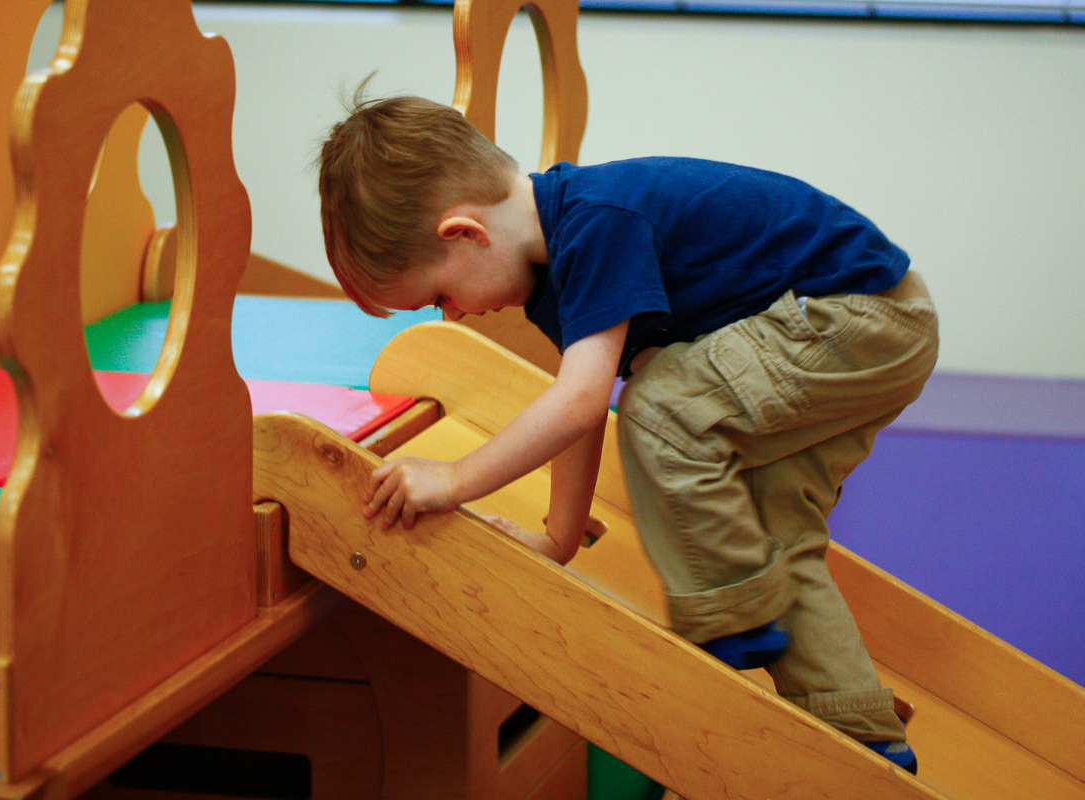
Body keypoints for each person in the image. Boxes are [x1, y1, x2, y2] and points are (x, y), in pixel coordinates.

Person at [317, 90, 937, 775]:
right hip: (863, 329)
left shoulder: (595, 222)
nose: (453, 315)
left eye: (438, 296)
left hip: (858, 316)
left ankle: (730, 613)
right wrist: (557, 539)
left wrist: (455, 479)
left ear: (465, 233)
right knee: (768, 526)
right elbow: (577, 406)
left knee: (661, 409)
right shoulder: (557, 262)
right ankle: (862, 741)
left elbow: (582, 405)